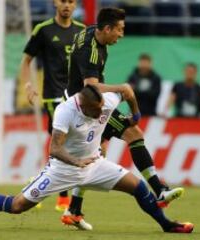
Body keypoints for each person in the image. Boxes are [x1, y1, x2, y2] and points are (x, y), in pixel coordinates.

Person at [0, 85, 194, 234]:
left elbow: (127, 90)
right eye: (97, 110)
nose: (102, 113)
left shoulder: (104, 101)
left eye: (104, 108)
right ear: (83, 106)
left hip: (95, 165)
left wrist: (135, 116)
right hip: (62, 170)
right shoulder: (65, 112)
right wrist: (75, 161)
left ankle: (167, 226)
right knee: (17, 206)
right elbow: (54, 148)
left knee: (137, 187)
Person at [64, 7, 184, 229]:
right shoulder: (91, 51)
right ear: (107, 28)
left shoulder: (93, 33)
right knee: (134, 134)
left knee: (97, 152)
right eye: (119, 30)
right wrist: (121, 89)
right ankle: (159, 190)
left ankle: (74, 209)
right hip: (85, 106)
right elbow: (89, 87)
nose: (121, 34)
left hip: (84, 102)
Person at [20, 0, 85, 212]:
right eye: (62, 1)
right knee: (61, 142)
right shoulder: (44, 29)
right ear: (54, 3)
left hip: (78, 97)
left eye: (71, 1)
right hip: (54, 96)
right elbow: (26, 60)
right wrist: (28, 84)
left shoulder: (83, 31)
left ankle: (40, 183)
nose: (66, 5)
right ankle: (63, 197)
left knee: (75, 144)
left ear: (75, 5)